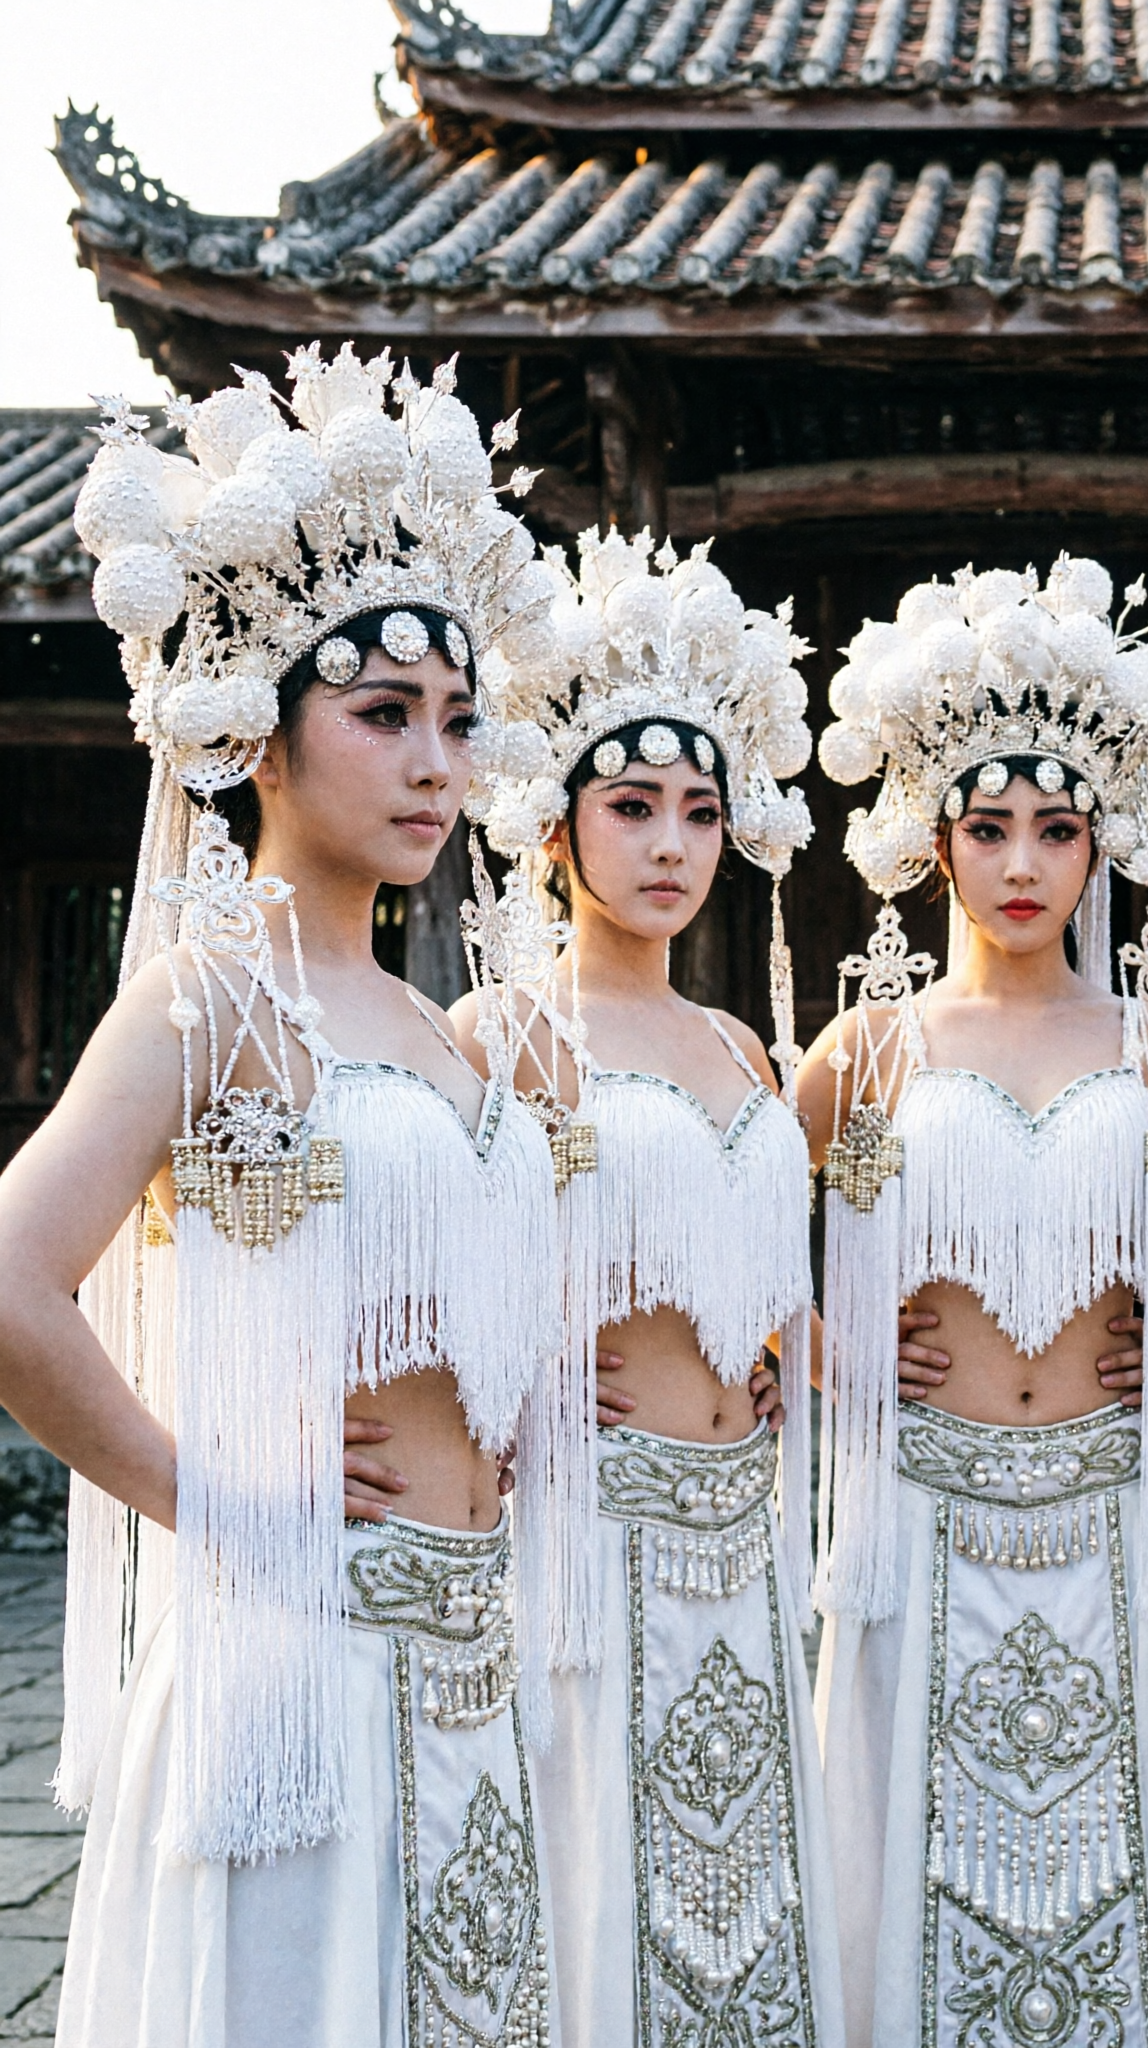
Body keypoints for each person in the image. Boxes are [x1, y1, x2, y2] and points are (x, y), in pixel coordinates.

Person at [0, 351, 568, 2044]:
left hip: (471, 1649)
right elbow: (15, 1275)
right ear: (262, 725)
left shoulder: (438, 1026)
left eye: (457, 722)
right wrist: (218, 1492)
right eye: (383, 714)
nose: (433, 764)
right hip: (296, 1665)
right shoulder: (208, 995)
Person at [801, 555, 1148, 2048]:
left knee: (1115, 1877)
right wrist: (818, 1351)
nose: (1024, 862)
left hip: (1111, 1516)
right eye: (991, 828)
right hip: (923, 1512)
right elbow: (723, 1237)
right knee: (922, 1888)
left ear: (1100, 846)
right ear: (936, 841)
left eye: (1058, 828)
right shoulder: (865, 1054)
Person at [455, 529, 840, 2047]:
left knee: (730, 1880)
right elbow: (433, 1275)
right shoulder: (496, 1034)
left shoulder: (747, 1050)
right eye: (631, 809)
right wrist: (518, 1372)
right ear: (556, 828)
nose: (670, 845)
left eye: (697, 812)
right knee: (595, 1869)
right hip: (580, 1523)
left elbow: (769, 1273)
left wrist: (778, 1367)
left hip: (733, 1528)